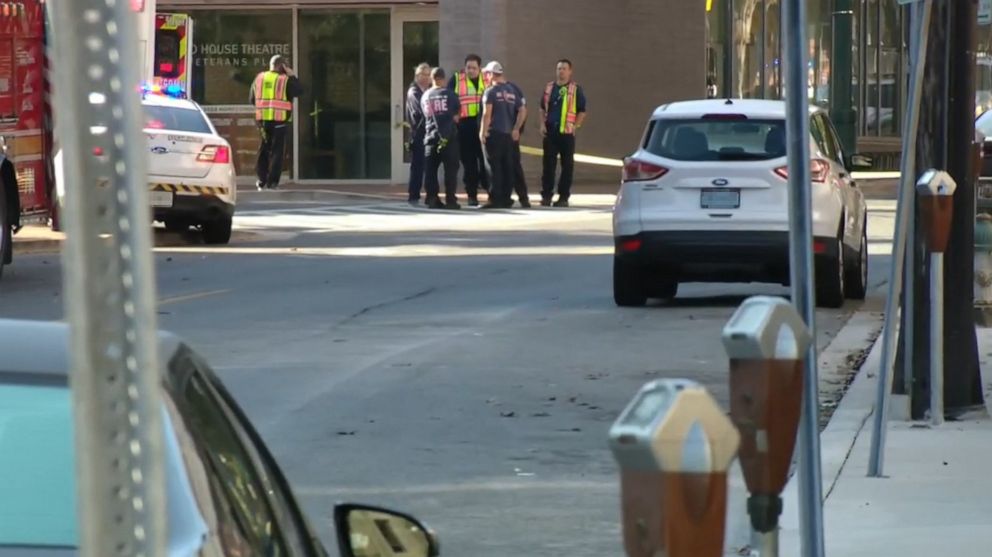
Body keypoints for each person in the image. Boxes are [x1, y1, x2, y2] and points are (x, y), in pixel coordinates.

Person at [249, 55, 303, 190]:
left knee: (263, 149)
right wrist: (292, 76)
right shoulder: (285, 80)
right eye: (286, 66)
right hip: (279, 121)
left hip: (262, 121)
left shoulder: (259, 78)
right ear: (282, 66)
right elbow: (299, 91)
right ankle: (272, 183)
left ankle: (261, 180)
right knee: (277, 152)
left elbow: (251, 99)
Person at [540, 59, 587, 207]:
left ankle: (563, 197)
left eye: (564, 68)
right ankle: (546, 195)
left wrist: (575, 126)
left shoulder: (575, 89)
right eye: (559, 68)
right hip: (551, 132)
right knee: (548, 165)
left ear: (570, 71)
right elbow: (542, 108)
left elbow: (582, 111)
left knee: (567, 166)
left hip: (567, 133)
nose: (561, 71)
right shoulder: (549, 88)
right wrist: (542, 124)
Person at [479, 61, 526, 210]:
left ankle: (494, 199)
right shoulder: (512, 90)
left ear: (492, 75)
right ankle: (506, 198)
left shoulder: (490, 91)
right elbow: (523, 110)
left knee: (493, 167)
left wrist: (483, 131)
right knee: (507, 167)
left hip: (494, 133)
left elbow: (487, 113)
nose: (485, 76)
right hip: (508, 135)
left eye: (487, 73)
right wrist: (516, 128)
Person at [449, 54, 490, 206]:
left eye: (474, 68)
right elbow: (449, 99)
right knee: (469, 162)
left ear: (480, 68)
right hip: (464, 125)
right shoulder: (457, 79)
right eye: (468, 67)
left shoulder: (487, 79)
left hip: (482, 124)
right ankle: (472, 195)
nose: (470, 70)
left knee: (486, 160)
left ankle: (490, 191)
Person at [421, 67, 462, 210]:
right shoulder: (451, 95)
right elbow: (457, 117)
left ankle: (432, 198)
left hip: (430, 137)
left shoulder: (425, 96)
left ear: (432, 79)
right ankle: (451, 200)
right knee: (450, 170)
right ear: (443, 79)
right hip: (448, 137)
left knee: (431, 170)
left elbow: (424, 115)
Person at [406, 63, 433, 205]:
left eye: (429, 74)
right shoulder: (414, 92)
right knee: (417, 165)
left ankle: (429, 194)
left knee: (428, 165)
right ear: (417, 76)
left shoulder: (429, 90)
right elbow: (420, 111)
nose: (427, 77)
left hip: (429, 132)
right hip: (418, 133)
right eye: (424, 74)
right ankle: (413, 195)